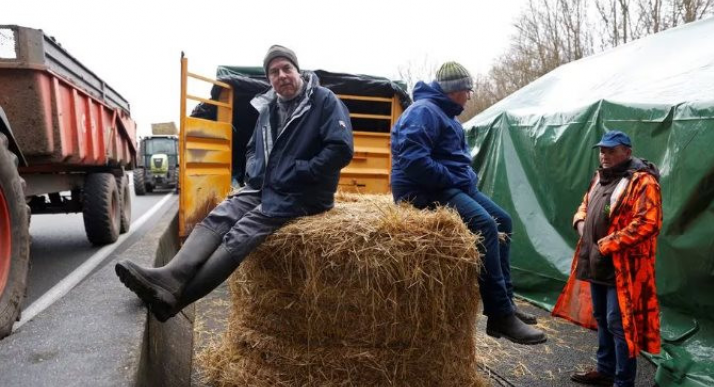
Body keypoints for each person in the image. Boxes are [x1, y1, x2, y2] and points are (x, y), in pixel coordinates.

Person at [115, 45, 353, 322]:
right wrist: (255, 170)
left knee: (241, 232)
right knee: (221, 214)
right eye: (274, 72)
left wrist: (301, 171)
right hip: (266, 186)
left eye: (287, 68)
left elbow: (340, 149)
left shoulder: (324, 101)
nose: (282, 75)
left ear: (297, 71)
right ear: (269, 79)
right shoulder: (268, 109)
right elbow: (252, 148)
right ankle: (170, 276)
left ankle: (177, 299)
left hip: (304, 193)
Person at [389, 61, 546, 345]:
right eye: (467, 89)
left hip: (449, 184)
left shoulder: (446, 114)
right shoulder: (423, 112)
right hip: (422, 189)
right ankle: (498, 314)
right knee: (485, 225)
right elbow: (412, 160)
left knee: (503, 222)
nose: (471, 95)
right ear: (454, 90)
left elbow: (453, 156)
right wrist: (452, 177)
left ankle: (506, 302)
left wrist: (466, 176)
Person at [552, 130, 663, 387]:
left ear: (627, 152)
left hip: (624, 267)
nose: (604, 155)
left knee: (619, 324)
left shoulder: (643, 181)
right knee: (602, 316)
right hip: (597, 262)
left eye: (611, 150)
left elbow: (649, 222)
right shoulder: (601, 176)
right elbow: (585, 204)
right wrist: (580, 223)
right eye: (602, 150)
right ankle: (605, 370)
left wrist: (608, 243)